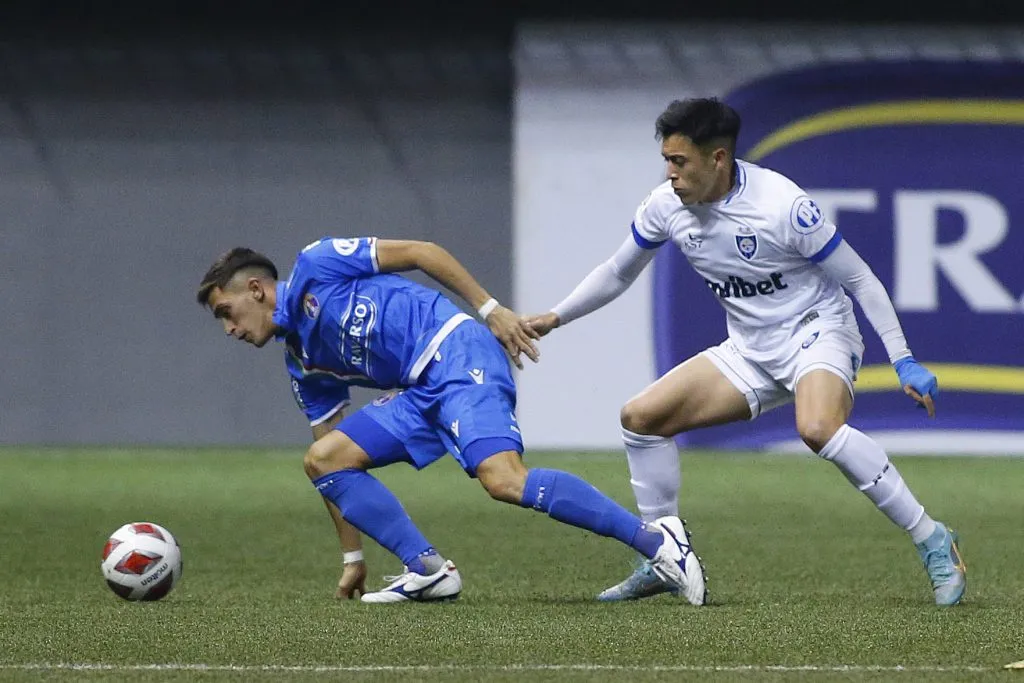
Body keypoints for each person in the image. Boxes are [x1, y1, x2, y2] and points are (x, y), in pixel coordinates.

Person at [523, 98, 966, 607]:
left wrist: (903, 358)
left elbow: (860, 277)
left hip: (818, 333)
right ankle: (664, 556)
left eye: (680, 162)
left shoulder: (783, 206)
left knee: (817, 428)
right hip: (750, 350)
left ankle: (932, 537)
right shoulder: (666, 206)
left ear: (717, 159)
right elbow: (618, 271)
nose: (670, 174)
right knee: (641, 418)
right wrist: (556, 317)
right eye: (666, 161)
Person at [196, 236, 706, 604]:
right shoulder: (302, 362)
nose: (227, 329)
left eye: (226, 311)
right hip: (420, 393)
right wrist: (353, 559)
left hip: (456, 351)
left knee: (503, 480)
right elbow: (332, 475)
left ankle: (660, 544)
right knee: (323, 459)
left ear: (258, 290)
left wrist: (490, 310)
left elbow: (423, 253)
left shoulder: (318, 264)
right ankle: (427, 570)